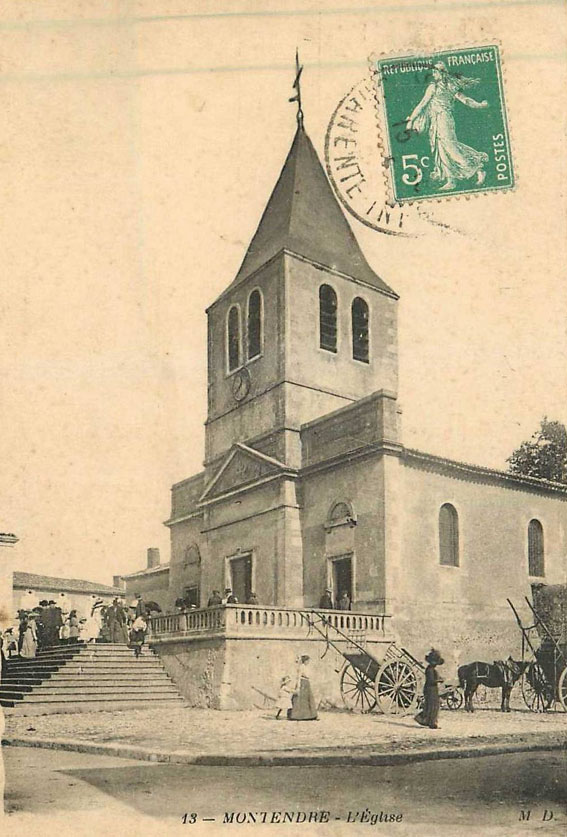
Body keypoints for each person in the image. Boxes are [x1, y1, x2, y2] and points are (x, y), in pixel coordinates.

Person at [406, 62, 489, 192]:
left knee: (450, 147)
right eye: (433, 72)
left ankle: (477, 168)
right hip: (437, 120)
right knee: (441, 148)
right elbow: (423, 104)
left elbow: (423, 104)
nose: (434, 74)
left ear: (443, 72)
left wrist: (479, 105)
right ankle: (451, 180)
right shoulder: (443, 86)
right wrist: (479, 105)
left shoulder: (439, 87)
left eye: (436, 71)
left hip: (443, 119)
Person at [415, 648, 444, 729]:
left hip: (432, 689)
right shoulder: (430, 670)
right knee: (432, 705)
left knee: (432, 705)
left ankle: (430, 721)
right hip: (430, 689)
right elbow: (431, 680)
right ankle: (430, 722)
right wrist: (439, 680)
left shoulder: (431, 669)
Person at [289, 655, 318, 721]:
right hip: (302, 683)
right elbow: (299, 677)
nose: (308, 662)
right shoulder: (301, 667)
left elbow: (308, 675)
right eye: (307, 660)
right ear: (305, 661)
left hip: (307, 683)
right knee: (300, 699)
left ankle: (310, 715)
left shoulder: (306, 667)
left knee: (308, 698)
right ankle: (298, 716)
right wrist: (298, 686)